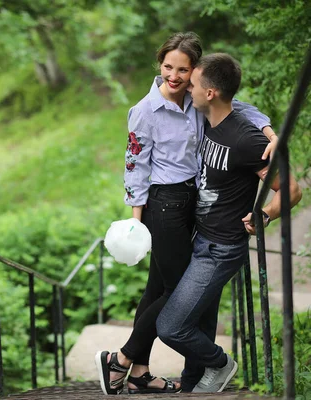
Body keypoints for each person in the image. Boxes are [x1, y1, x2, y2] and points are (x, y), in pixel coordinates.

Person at [95, 32, 278, 395]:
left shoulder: (199, 99)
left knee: (157, 287)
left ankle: (138, 372)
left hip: (191, 203)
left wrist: (271, 133)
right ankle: (121, 359)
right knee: (178, 289)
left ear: (195, 72)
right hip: (163, 206)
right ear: (159, 64)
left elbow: (241, 107)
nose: (174, 76)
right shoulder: (145, 111)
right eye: (167, 67)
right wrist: (136, 218)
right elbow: (135, 165)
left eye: (183, 69)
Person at [154, 52, 302, 392]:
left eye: (192, 84)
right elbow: (244, 103)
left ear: (210, 93)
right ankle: (193, 382)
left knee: (171, 326)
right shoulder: (206, 118)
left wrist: (266, 214)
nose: (185, 88)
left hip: (221, 248)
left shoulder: (246, 140)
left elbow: (291, 189)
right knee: (197, 318)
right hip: (199, 238)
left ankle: (221, 364)